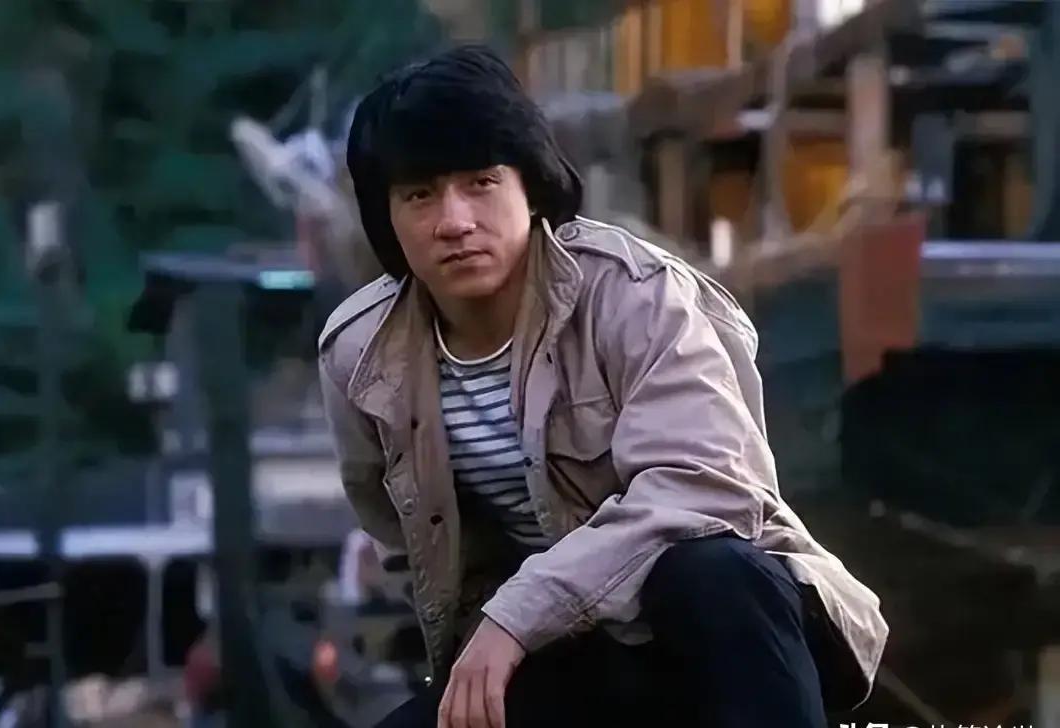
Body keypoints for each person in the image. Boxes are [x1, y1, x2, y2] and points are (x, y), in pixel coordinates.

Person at [318, 45, 888, 728]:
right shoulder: (361, 354)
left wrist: (517, 613)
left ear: (530, 187)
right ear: (384, 216)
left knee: (707, 570)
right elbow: (405, 542)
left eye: (481, 182)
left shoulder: (634, 294)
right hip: (561, 650)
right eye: (419, 195)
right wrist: (492, 642)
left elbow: (705, 489)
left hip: (725, 630)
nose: (455, 221)